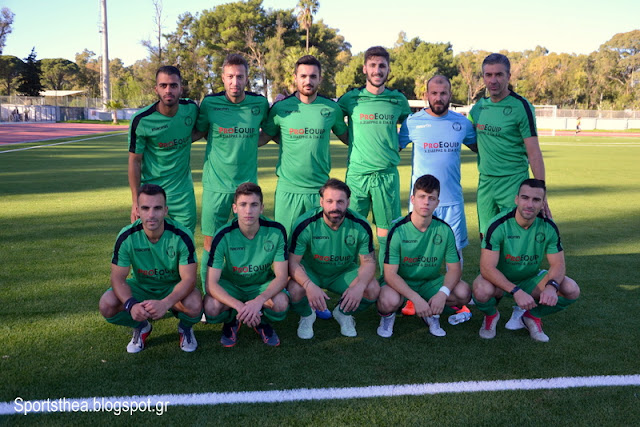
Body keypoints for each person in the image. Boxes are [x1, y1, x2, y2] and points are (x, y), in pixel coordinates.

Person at [398, 75, 476, 316]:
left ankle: (453, 298)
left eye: (443, 93)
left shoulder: (461, 123)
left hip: (452, 201)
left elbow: (482, 147)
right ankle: (411, 298)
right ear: (426, 96)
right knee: (415, 251)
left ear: (450, 95)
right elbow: (392, 149)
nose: (438, 97)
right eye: (434, 93)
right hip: (422, 202)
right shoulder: (413, 123)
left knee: (455, 253)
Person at [472, 179, 580, 342]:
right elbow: (487, 268)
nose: (529, 204)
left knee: (571, 289)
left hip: (530, 279)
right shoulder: (498, 225)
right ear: (516, 199)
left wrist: (552, 287)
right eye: (525, 198)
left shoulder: (548, 226)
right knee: (481, 290)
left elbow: (558, 264)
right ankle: (491, 315)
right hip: (498, 281)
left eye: (536, 200)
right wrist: (516, 291)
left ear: (543, 204)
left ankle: (532, 316)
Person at [99, 184, 202, 353]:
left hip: (171, 287)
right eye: (145, 208)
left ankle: (185, 328)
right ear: (137, 210)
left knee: (195, 303)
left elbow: (189, 279)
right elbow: (117, 278)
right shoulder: (126, 236)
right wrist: (131, 305)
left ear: (166, 210)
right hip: (141, 287)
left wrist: (165, 303)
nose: (151, 214)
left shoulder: (182, 235)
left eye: (157, 208)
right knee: (107, 304)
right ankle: (141, 326)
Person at [195, 54, 270, 285]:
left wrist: (249, 142)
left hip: (247, 187)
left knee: (248, 238)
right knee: (211, 242)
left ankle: (247, 288)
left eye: (239, 77)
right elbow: (202, 131)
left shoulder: (259, 104)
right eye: (230, 77)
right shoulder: (210, 104)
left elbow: (268, 132)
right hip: (216, 185)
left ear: (247, 78)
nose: (234, 82)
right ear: (222, 77)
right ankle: (209, 294)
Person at [338, 46, 412, 266]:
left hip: (386, 175)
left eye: (382, 66)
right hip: (357, 175)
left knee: (386, 233)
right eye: (372, 65)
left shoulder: (397, 99)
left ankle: (386, 280)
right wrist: (349, 139)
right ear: (364, 68)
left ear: (388, 69)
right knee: (352, 231)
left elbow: (411, 126)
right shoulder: (351, 98)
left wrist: (398, 145)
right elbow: (332, 120)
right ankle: (351, 278)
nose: (377, 70)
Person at [262, 55, 348, 234]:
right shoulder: (280, 108)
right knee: (285, 242)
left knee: (318, 244)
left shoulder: (331, 109)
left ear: (320, 79)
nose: (308, 81)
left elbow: (349, 138)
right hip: (288, 189)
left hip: (320, 190)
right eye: (303, 76)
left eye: (313, 76)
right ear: (295, 78)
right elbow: (264, 137)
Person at [376, 175, 470, 338]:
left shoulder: (444, 230)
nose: (426, 202)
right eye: (422, 197)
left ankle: (431, 313)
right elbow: (390, 274)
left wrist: (442, 293)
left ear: (437, 203)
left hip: (429, 282)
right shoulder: (397, 229)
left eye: (431, 198)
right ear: (412, 199)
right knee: (388, 300)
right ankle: (388, 317)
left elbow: (455, 269)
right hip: (401, 282)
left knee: (463, 292)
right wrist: (415, 298)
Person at [469, 53, 550, 240]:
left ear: (509, 76)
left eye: (499, 74)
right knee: (486, 236)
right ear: (483, 77)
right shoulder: (478, 108)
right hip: (486, 182)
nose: (493, 80)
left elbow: (534, 152)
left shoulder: (521, 106)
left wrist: (541, 192)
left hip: (513, 182)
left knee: (514, 237)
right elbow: (469, 137)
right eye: (488, 75)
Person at [288, 178, 379, 339]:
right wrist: (308, 285)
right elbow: (292, 262)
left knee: (372, 289)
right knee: (295, 289)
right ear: (321, 202)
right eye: (329, 201)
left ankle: (343, 312)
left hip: (342, 273)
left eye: (340, 202)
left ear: (348, 202)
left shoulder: (360, 224)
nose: (335, 207)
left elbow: (369, 262)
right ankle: (307, 315)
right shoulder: (305, 224)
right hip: (312, 272)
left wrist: (360, 286)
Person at [203, 183, 289, 347]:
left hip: (261, 285)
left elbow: (282, 277)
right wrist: (239, 306)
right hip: (232, 286)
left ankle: (261, 321)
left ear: (262, 208)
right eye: (243, 205)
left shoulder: (276, 231)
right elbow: (211, 284)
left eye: (254, 205)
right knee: (211, 307)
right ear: (235, 208)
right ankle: (232, 320)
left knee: (280, 303)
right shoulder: (222, 235)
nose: (248, 211)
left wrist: (259, 301)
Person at [128, 65, 200, 234]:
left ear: (181, 89)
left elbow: (203, 129)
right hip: (151, 193)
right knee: (152, 241)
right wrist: (136, 201)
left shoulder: (191, 109)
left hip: (183, 194)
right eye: (163, 85)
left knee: (185, 241)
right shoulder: (142, 120)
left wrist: (183, 140)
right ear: (156, 89)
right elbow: (135, 161)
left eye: (173, 85)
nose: (168, 90)